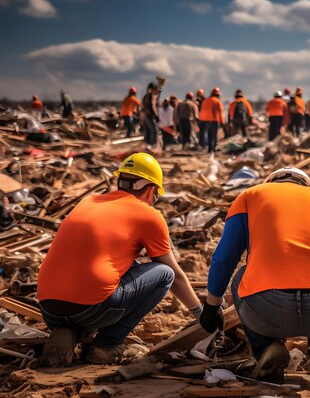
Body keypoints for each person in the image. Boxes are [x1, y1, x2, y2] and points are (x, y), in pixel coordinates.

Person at [38, 153, 203, 365]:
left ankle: (68, 331)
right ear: (151, 190)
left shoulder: (87, 202)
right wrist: (200, 314)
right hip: (90, 310)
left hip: (49, 309)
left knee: (122, 266)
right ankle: (106, 345)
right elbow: (175, 275)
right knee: (164, 274)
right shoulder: (148, 215)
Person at [198, 167, 310, 381]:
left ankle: (267, 348)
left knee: (241, 277)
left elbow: (224, 259)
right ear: (307, 185)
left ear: (270, 183)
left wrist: (211, 306)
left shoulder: (250, 196)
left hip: (269, 308)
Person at [199, 88, 224, 154]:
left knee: (208, 135)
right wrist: (223, 122)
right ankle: (213, 149)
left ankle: (209, 149)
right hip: (214, 121)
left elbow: (202, 111)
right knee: (214, 136)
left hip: (205, 120)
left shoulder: (205, 101)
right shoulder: (217, 101)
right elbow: (220, 112)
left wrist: (201, 120)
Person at [141, 82, 163, 148]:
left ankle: (147, 144)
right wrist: (156, 116)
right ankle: (152, 145)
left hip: (144, 115)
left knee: (147, 130)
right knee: (154, 130)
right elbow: (152, 106)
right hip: (149, 115)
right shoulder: (151, 96)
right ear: (153, 89)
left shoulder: (146, 96)